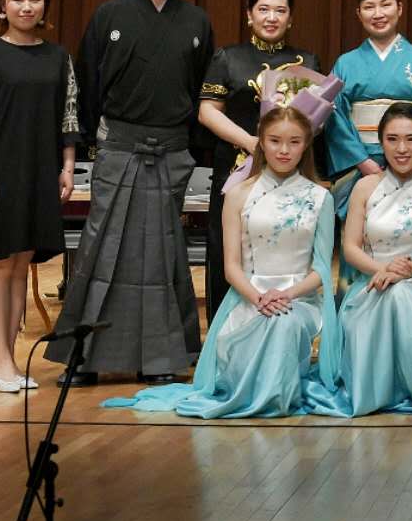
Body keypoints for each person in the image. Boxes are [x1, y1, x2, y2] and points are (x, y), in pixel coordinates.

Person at [51, 0, 215, 386]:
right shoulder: (109, 16)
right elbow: (87, 85)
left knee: (163, 251)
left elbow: (202, 92)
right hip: (119, 146)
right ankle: (85, 357)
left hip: (172, 150)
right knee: (102, 247)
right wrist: (88, 146)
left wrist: (192, 151)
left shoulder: (196, 22)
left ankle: (161, 358)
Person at [103, 106, 334, 418]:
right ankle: (260, 394)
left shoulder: (320, 196)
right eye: (275, 140)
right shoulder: (238, 194)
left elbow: (321, 269)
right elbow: (231, 267)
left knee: (284, 322)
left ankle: (272, 398)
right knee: (272, 320)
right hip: (248, 297)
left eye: (294, 142)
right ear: (261, 142)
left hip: (300, 299)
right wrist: (260, 298)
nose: (284, 150)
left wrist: (285, 295)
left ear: (305, 145)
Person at [308, 103, 412, 416]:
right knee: (390, 296)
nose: (401, 148)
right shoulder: (364, 187)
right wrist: (382, 270)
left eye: (411, 139)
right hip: (369, 283)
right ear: (381, 142)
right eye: (392, 139)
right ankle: (377, 388)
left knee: (401, 296)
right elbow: (350, 248)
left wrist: (400, 273)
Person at [0, 0, 80, 393]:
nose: (27, 7)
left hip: (41, 170)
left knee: (20, 267)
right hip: (0, 170)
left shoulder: (59, 57)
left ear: (45, 7)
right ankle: (0, 362)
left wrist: (67, 167)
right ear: (2, 6)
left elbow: (69, 117)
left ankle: (10, 360)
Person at [197, 0, 320, 317]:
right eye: (263, 9)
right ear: (249, 15)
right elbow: (207, 112)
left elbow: (314, 120)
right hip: (237, 167)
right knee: (228, 248)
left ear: (290, 19)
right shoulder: (227, 57)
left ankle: (284, 317)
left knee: (286, 244)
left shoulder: (307, 61)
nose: (271, 17)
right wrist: (252, 143)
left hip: (289, 170)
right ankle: (225, 329)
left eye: (280, 10)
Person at [324, 0, 412, 249]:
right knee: (358, 242)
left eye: (385, 5)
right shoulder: (345, 63)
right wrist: (362, 161)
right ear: (359, 14)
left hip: (409, 161)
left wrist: (409, 156)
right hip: (360, 167)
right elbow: (335, 118)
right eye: (369, 7)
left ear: (399, 8)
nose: (378, 14)